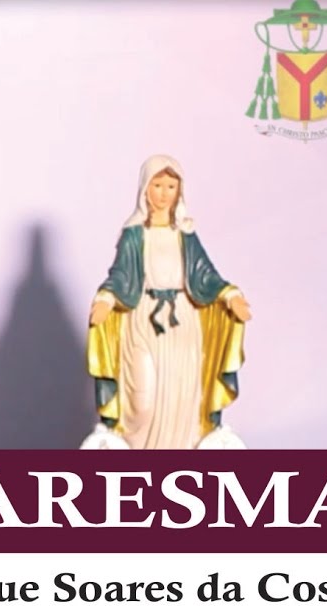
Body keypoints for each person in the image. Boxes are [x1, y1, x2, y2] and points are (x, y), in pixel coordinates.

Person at [85, 154, 251, 450]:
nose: (164, 193)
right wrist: (106, 298)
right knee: (143, 401)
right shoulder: (134, 235)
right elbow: (121, 275)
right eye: (157, 185)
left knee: (182, 396)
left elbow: (205, 274)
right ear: (145, 188)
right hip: (143, 321)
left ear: (179, 191)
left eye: (171, 186)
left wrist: (230, 295)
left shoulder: (185, 234)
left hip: (183, 323)